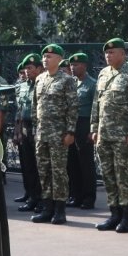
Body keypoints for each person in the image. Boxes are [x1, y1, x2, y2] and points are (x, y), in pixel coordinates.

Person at [91, 38, 128, 234]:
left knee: (124, 177)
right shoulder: (103, 74)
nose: (109, 56)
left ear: (123, 54)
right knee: (108, 176)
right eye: (107, 53)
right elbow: (97, 104)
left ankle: (127, 218)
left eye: (113, 52)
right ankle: (114, 215)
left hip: (123, 136)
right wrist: (94, 128)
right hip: (104, 135)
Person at [32, 45, 79, 224]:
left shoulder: (66, 80)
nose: (45, 59)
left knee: (58, 172)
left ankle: (60, 210)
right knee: (44, 171)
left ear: (59, 59)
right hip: (42, 134)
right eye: (44, 56)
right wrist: (35, 129)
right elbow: (35, 106)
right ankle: (47, 208)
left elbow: (72, 107)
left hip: (59, 134)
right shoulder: (40, 79)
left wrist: (70, 131)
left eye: (50, 56)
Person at [13, 54, 44, 212]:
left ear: (39, 68)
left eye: (30, 68)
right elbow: (19, 109)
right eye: (25, 68)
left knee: (41, 166)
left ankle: (43, 199)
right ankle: (32, 197)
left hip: (40, 126)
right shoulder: (23, 86)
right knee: (28, 165)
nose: (27, 71)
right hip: (25, 127)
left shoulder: (44, 83)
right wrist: (17, 131)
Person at [67, 52, 98, 209]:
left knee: (85, 163)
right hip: (72, 124)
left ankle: (88, 197)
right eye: (71, 65)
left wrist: (92, 129)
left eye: (76, 65)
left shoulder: (92, 84)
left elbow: (95, 108)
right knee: (72, 162)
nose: (73, 68)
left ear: (84, 66)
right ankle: (75, 195)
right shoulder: (70, 82)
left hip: (84, 123)